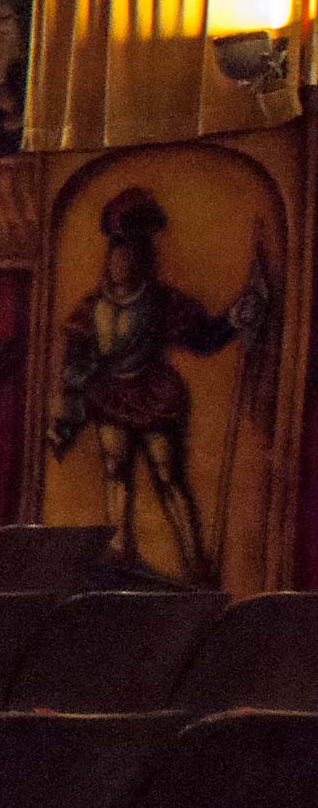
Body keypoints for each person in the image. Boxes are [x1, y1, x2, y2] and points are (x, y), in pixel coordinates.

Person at [51, 187, 266, 583]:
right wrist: (67, 416)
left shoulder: (161, 303)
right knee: (115, 471)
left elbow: (203, 338)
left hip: (152, 394)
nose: (120, 263)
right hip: (110, 394)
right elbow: (76, 366)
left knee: (168, 477)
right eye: (115, 254)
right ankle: (120, 553)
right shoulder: (90, 307)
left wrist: (236, 316)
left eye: (128, 254)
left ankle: (194, 566)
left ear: (141, 258)